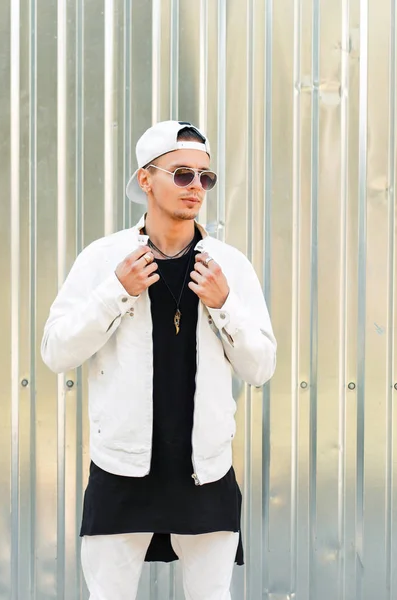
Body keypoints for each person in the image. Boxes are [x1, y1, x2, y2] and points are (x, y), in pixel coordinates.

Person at [41, 120, 276, 600]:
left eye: (205, 177)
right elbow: (56, 352)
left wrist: (224, 303)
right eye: (182, 174)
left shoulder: (228, 266)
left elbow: (261, 368)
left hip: (205, 470)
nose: (196, 188)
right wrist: (115, 292)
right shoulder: (104, 259)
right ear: (145, 179)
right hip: (121, 469)